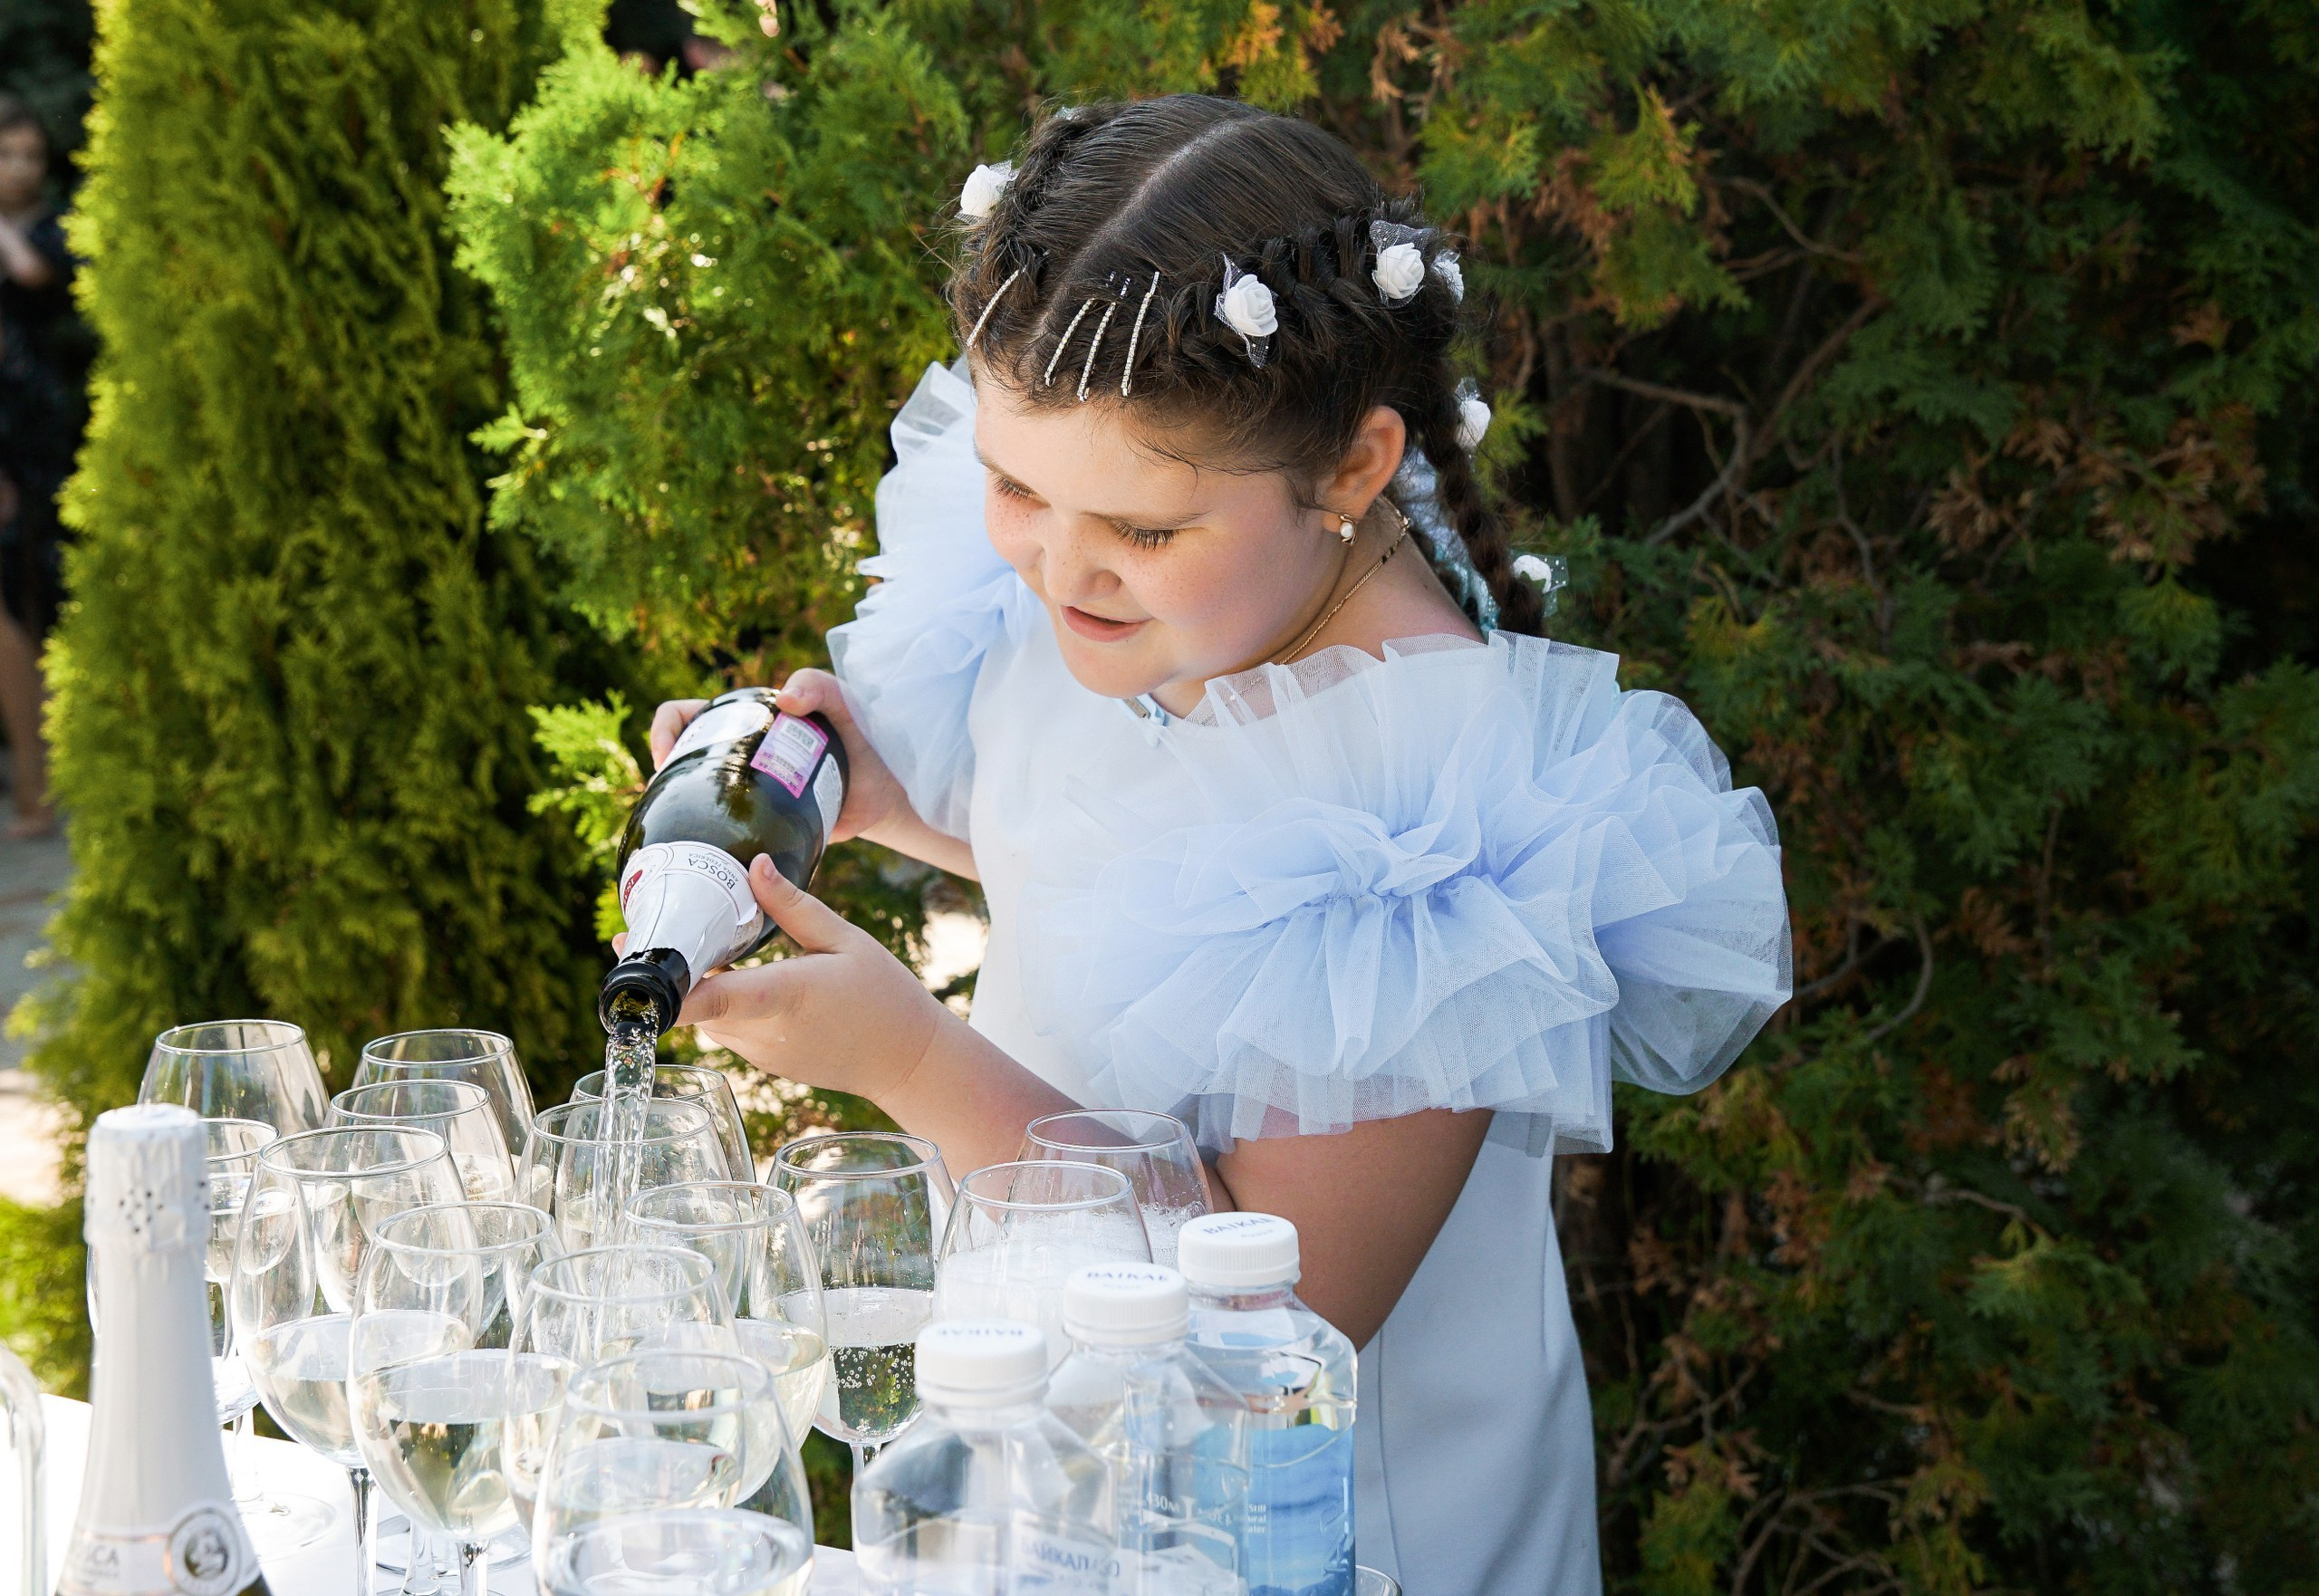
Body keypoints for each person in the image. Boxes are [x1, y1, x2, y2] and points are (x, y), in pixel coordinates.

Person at [646, 96, 1792, 1594]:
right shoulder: (1178, 580)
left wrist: (914, 1062)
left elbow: (1272, 1311)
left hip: (1317, 1538)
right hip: (1065, 1473)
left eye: (1138, 527)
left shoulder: (1432, 819)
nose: (1058, 564)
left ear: (1354, 469)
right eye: (1013, 487)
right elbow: (1143, 872)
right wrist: (880, 804)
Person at [0, 95, 78, 837]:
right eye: (7, 154)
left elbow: (32, 278)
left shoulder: (52, 230)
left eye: (31, 155)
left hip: (36, 431)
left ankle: (46, 783)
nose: (21, 169)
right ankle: (33, 780)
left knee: (39, 596)